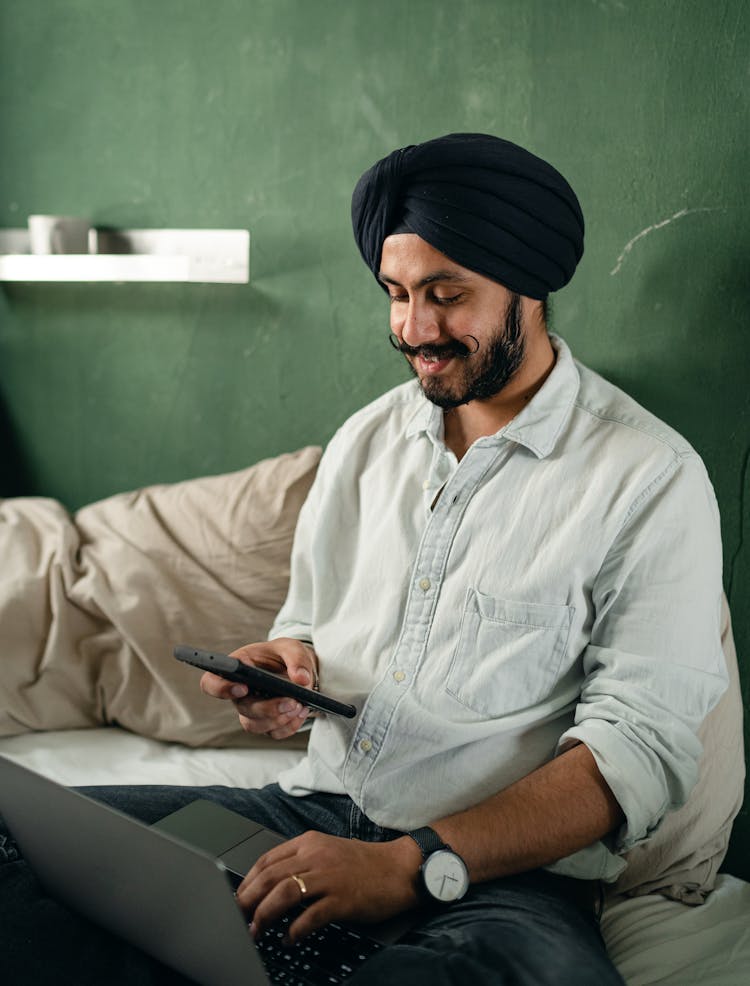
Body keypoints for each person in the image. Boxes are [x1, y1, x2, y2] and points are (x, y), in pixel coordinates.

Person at [0, 133, 727, 986]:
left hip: (496, 874)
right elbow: (309, 619)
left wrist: (405, 865)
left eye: (446, 296)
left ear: (528, 287)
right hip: (304, 816)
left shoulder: (649, 477)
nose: (414, 328)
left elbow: (636, 753)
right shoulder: (368, 439)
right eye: (396, 294)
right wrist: (289, 668)